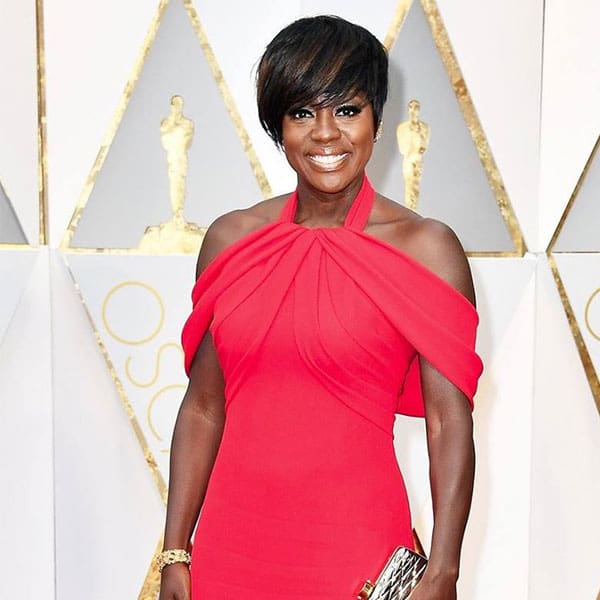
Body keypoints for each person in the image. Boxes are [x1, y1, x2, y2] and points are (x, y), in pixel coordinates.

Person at [158, 15, 483, 600]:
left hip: (357, 554)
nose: (326, 134)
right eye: (303, 112)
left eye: (347, 109)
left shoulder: (426, 248)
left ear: (377, 118)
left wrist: (443, 571)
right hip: (231, 552)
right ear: (278, 127)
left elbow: (448, 420)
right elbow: (203, 406)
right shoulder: (231, 241)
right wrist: (175, 551)